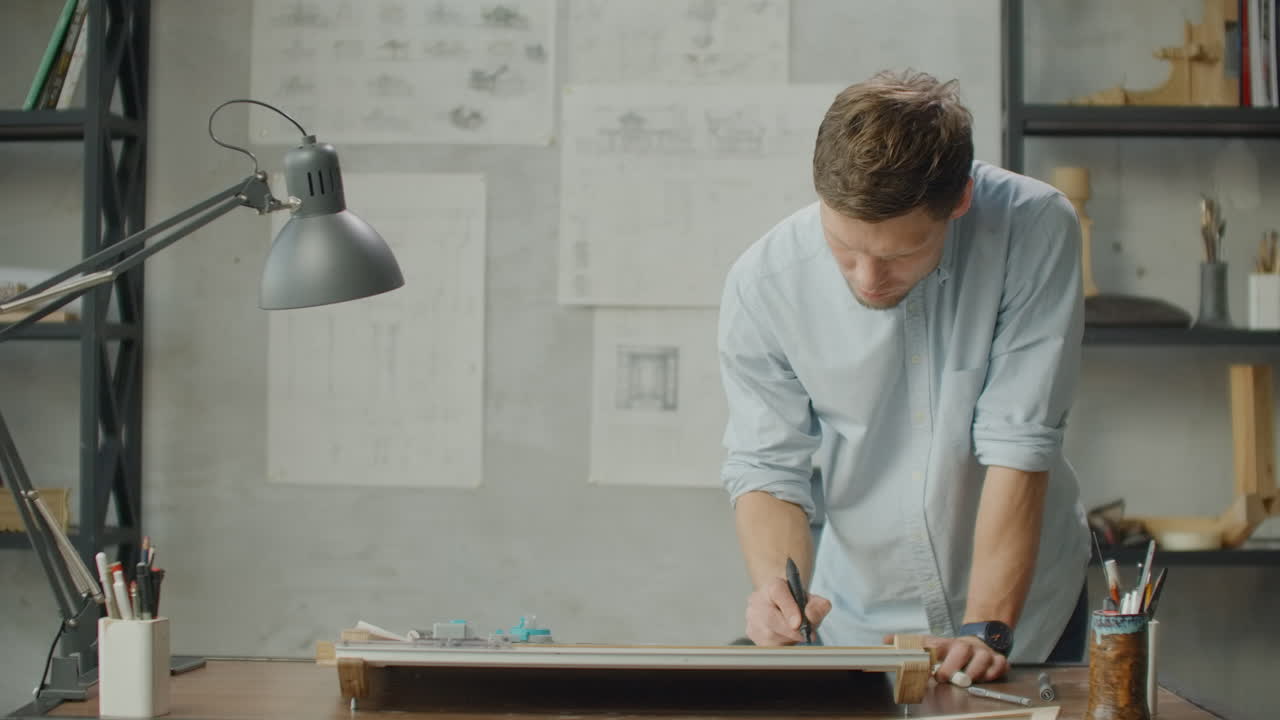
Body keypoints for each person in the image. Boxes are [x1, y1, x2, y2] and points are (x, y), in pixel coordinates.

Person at [717, 69, 1090, 685]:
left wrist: (988, 626)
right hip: (856, 619)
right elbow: (767, 466)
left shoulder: (1033, 227)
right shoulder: (763, 284)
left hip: (1027, 614)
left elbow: (1019, 441)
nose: (867, 278)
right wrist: (776, 595)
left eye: (897, 255)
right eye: (844, 248)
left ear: (960, 201)